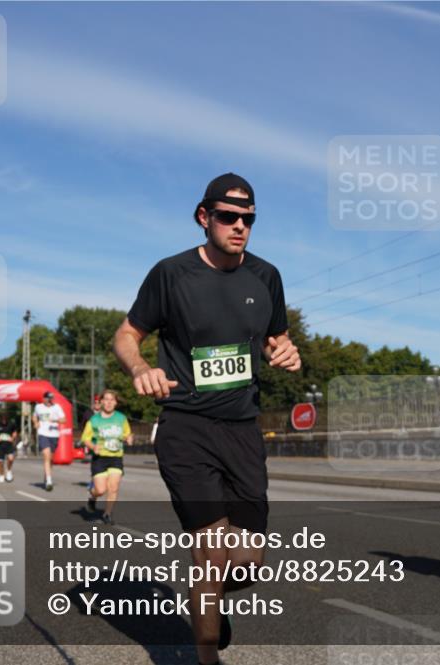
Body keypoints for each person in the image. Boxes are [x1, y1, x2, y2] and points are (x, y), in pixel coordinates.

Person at [114, 173, 301, 665]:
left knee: (246, 563)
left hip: (242, 430)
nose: (239, 226)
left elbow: (273, 338)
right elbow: (126, 335)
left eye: (248, 219)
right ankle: (207, 655)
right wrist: (141, 368)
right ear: (204, 218)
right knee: (211, 553)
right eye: (228, 217)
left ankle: (212, 603)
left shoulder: (266, 276)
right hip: (185, 428)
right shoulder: (171, 274)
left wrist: (286, 352)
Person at [81, 389, 133, 525]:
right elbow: (85, 438)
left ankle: (107, 514)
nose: (109, 402)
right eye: (106, 399)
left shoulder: (121, 418)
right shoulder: (94, 420)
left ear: (116, 403)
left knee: (114, 487)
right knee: (100, 489)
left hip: (116, 457)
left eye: (112, 400)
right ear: (101, 402)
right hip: (100, 458)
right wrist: (93, 447)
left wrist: (129, 438)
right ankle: (92, 497)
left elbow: (127, 434)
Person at [32, 391, 65, 491]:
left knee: (50, 459)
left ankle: (47, 476)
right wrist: (36, 422)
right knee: (46, 455)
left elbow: (64, 420)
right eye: (48, 399)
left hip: (54, 435)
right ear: (44, 399)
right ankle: (49, 481)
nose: (50, 401)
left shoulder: (57, 407)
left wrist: (55, 420)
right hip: (43, 433)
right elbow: (34, 416)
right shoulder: (38, 407)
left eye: (52, 399)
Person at [0, 414, 17, 483]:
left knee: (11, 458)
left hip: (9, 445)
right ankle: (1, 475)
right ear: (1, 418)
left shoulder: (11, 424)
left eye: (5, 419)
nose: (4, 420)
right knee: (0, 462)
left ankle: (8, 471)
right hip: (0, 445)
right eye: (3, 419)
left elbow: (15, 432)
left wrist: (13, 438)